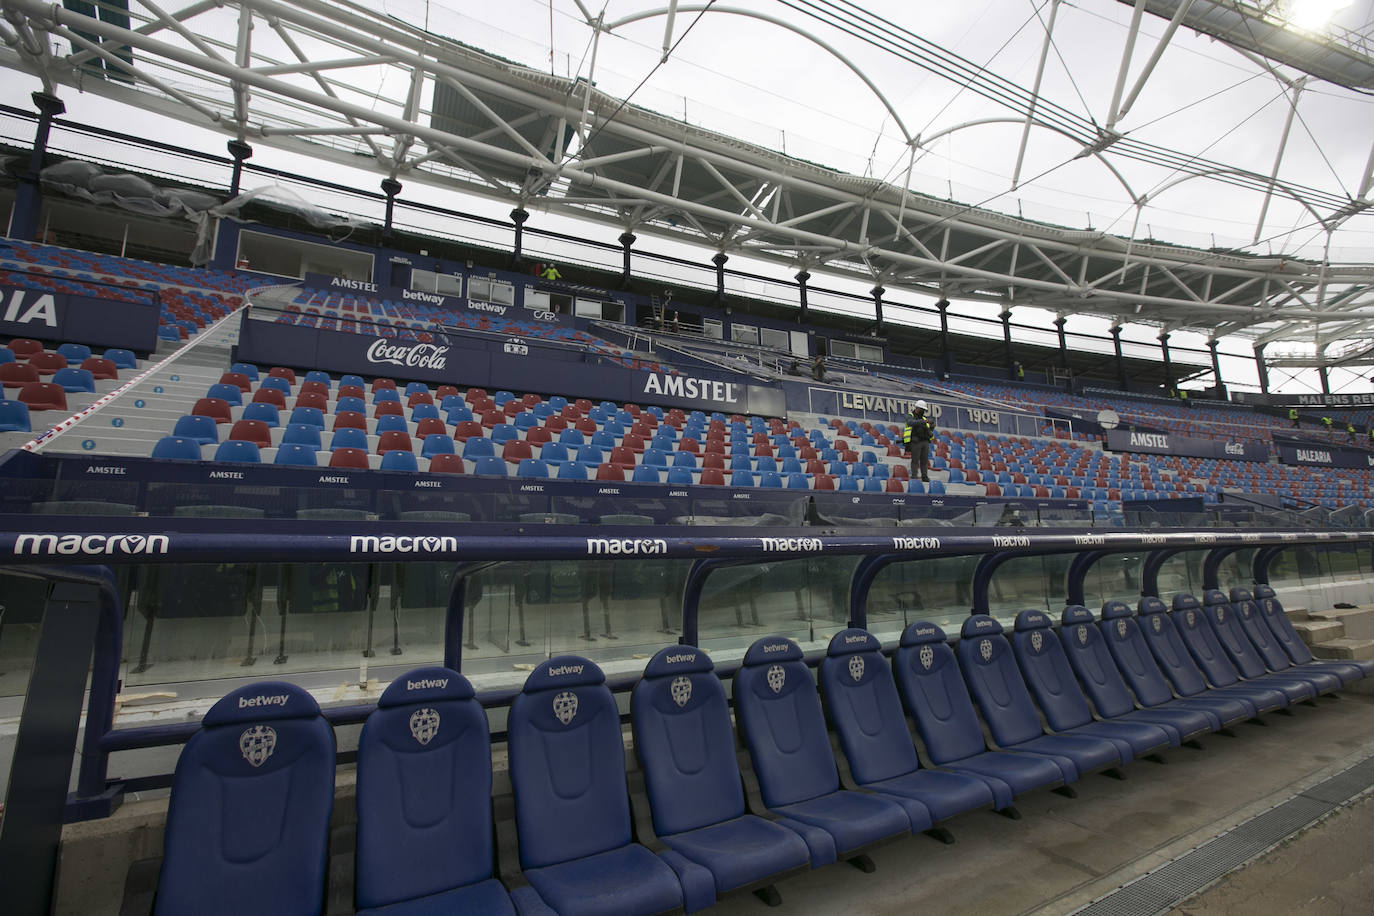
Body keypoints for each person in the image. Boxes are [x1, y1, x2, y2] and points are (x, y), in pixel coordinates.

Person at [903, 400, 935, 483]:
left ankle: (924, 476)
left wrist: (932, 427)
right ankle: (914, 476)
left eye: (924, 410)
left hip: (925, 441)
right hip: (915, 441)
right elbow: (910, 423)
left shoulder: (924, 418)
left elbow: (927, 430)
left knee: (924, 461)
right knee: (915, 460)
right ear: (917, 408)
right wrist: (924, 421)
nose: (923, 411)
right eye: (922, 409)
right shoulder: (910, 415)